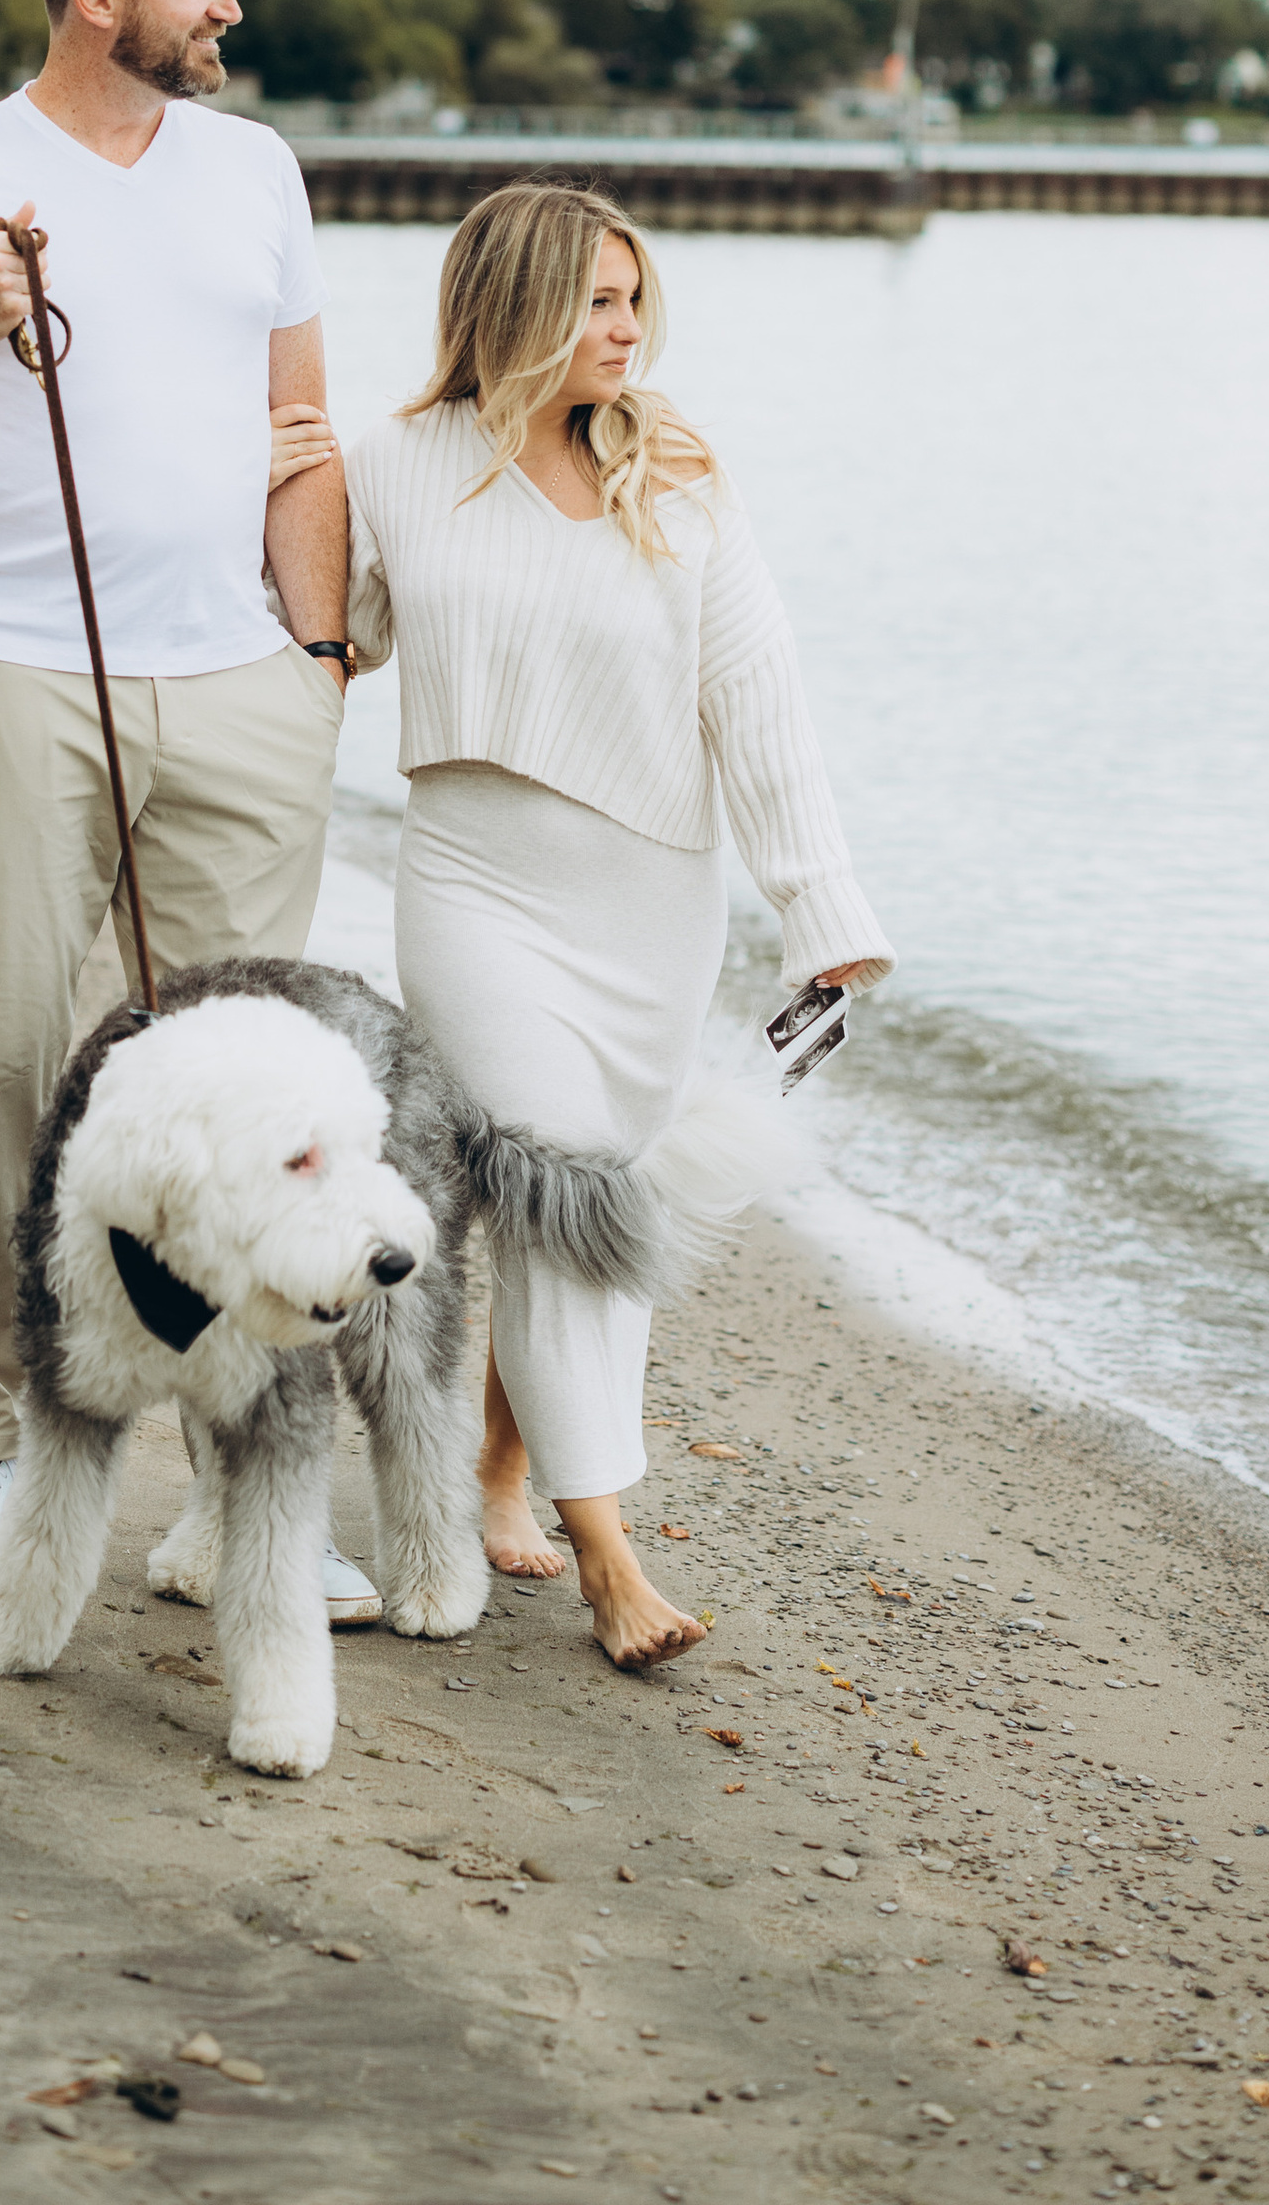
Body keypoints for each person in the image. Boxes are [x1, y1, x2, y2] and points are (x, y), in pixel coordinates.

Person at [0, 0, 381, 1618]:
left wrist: (323, 658)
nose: (230, 8)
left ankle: (240, 1488)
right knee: (3, 1067)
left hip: (239, 690)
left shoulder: (257, 169)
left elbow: (302, 427)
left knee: (250, 1101)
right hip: (9, 673)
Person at [342, 182, 892, 1666]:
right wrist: (269, 500)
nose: (627, 329)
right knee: (563, 1191)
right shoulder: (391, 463)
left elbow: (758, 703)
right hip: (473, 886)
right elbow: (328, 639)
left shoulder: (681, 470)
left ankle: (502, 1469)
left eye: (637, 300)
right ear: (511, 302)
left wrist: (819, 910)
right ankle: (612, 1556)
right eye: (597, 301)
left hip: (652, 903)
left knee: (563, 1210)